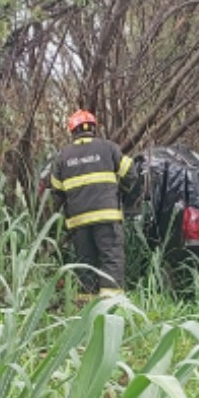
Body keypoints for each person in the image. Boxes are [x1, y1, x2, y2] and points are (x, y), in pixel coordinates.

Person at [46, 109, 134, 298]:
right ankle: (111, 305)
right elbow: (131, 173)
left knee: (85, 262)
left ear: (73, 131)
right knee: (111, 258)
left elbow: (56, 192)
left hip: (78, 222)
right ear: (93, 128)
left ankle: (87, 305)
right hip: (107, 217)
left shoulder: (62, 157)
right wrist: (122, 193)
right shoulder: (109, 148)